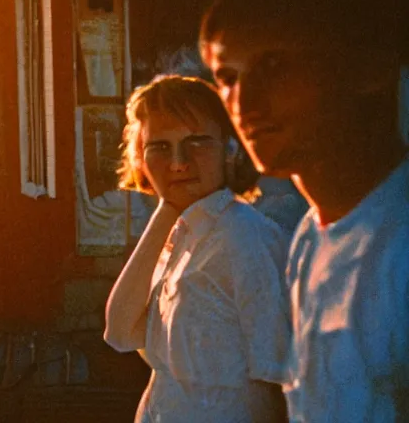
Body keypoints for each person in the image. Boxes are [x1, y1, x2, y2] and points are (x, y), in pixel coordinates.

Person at [198, 0, 408, 420]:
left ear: (369, 65)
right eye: (228, 78)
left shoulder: (398, 246)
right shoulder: (309, 242)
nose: (244, 104)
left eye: (275, 65)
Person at [104, 75, 291, 422]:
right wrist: (166, 207)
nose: (179, 162)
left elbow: (276, 378)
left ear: (229, 149)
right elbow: (119, 331)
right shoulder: (181, 234)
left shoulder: (244, 237)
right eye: (160, 147)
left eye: (198, 142)